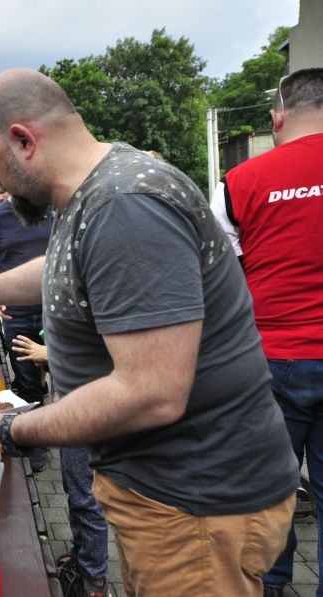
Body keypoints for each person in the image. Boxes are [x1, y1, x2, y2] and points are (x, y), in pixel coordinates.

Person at [0, 67, 297, 596]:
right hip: (164, 493)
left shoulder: (123, 205)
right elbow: (64, 270)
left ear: (23, 140)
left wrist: (10, 427)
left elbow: (150, 394)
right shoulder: (96, 189)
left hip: (193, 501)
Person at [210, 68, 323, 597]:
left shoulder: (238, 183)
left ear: (277, 118)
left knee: (268, 495)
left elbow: (218, 282)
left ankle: (270, 589)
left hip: (270, 358)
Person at [14, 336, 110, 595]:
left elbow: (105, 357)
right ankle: (81, 558)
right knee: (74, 487)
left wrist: (52, 354)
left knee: (85, 496)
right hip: (72, 406)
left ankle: (93, 580)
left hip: (87, 410)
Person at [0, 176, 51, 470]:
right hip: (16, 314)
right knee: (26, 380)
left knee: (65, 376)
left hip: (55, 311)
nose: (2, 197)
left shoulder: (53, 208)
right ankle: (35, 442)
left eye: (4, 190)